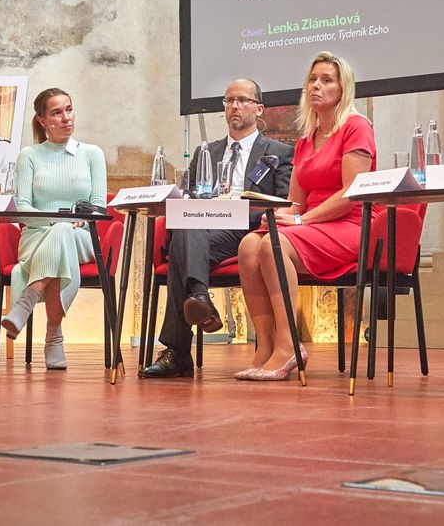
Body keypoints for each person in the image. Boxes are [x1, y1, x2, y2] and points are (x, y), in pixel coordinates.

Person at [235, 51, 376, 381]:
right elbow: (295, 202)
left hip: (350, 224)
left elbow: (351, 193)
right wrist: (280, 217)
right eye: (312, 79)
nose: (316, 86)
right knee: (248, 245)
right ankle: (265, 346)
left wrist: (301, 221)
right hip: (312, 224)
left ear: (343, 89)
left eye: (326, 80)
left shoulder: (356, 127)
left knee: (273, 245)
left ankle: (289, 346)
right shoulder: (306, 140)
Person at [140, 79, 294, 379]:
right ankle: (199, 297)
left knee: (183, 241)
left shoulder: (278, 152)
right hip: (204, 228)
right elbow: (190, 197)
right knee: (188, 220)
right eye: (229, 100)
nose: (234, 106)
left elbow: (283, 202)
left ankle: (177, 352)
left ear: (259, 108)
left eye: (243, 100)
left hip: (247, 230)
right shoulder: (206, 152)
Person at [0, 88, 108, 370]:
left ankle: (27, 300)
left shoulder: (92, 154)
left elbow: (99, 207)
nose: (66, 118)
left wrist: (79, 220)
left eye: (69, 110)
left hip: (82, 236)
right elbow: (23, 206)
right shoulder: (29, 155)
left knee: (64, 233)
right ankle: (53, 337)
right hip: (36, 236)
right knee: (61, 235)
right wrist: (58, 221)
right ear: (42, 120)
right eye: (57, 113)